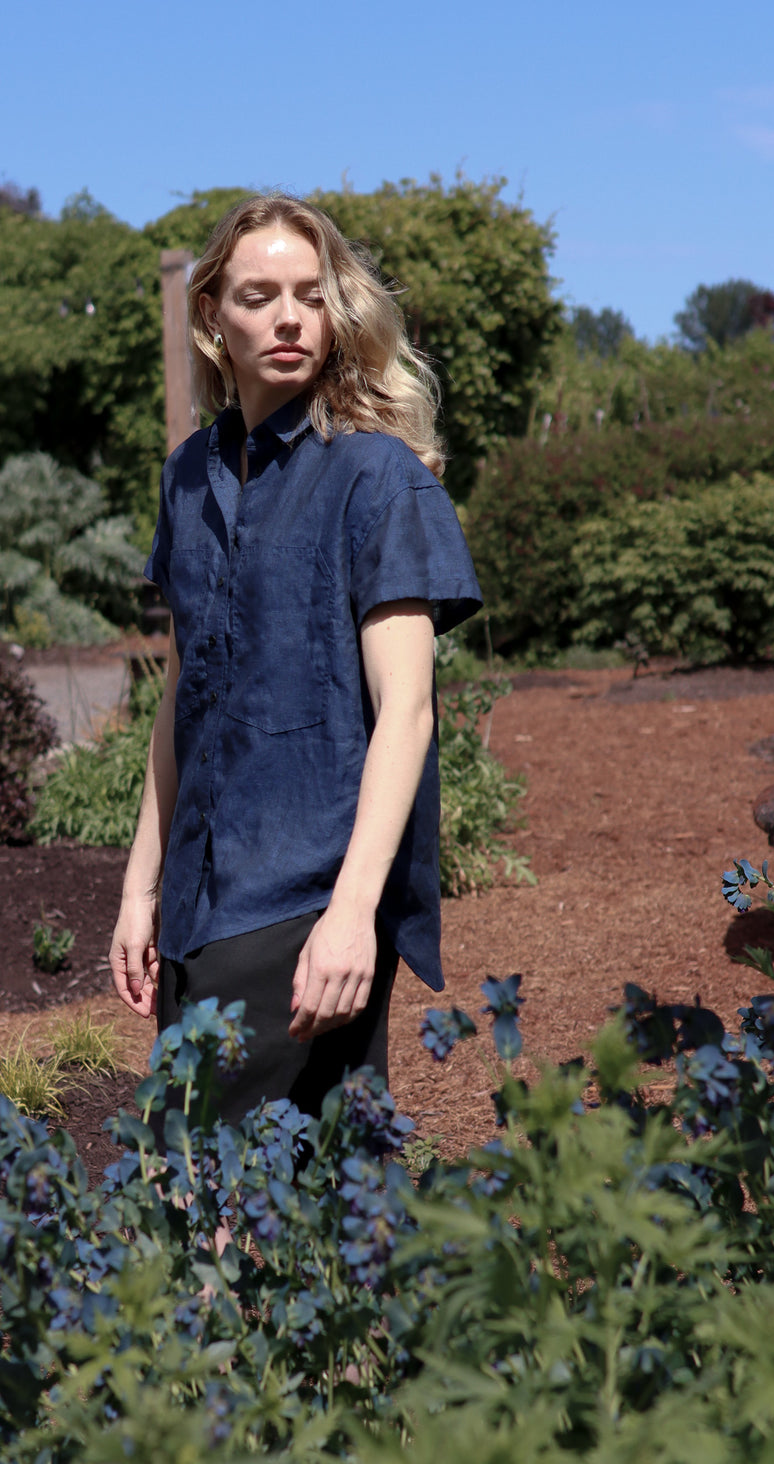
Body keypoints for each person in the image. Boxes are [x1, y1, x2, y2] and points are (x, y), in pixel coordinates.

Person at [109, 192, 482, 1128]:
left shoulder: (376, 476)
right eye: (259, 296)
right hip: (200, 895)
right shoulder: (188, 475)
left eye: (311, 296)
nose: (288, 318)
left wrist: (353, 912)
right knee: (308, 1183)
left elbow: (407, 712)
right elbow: (182, 694)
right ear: (211, 315)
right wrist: (141, 887)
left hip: (310, 892)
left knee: (201, 1169)